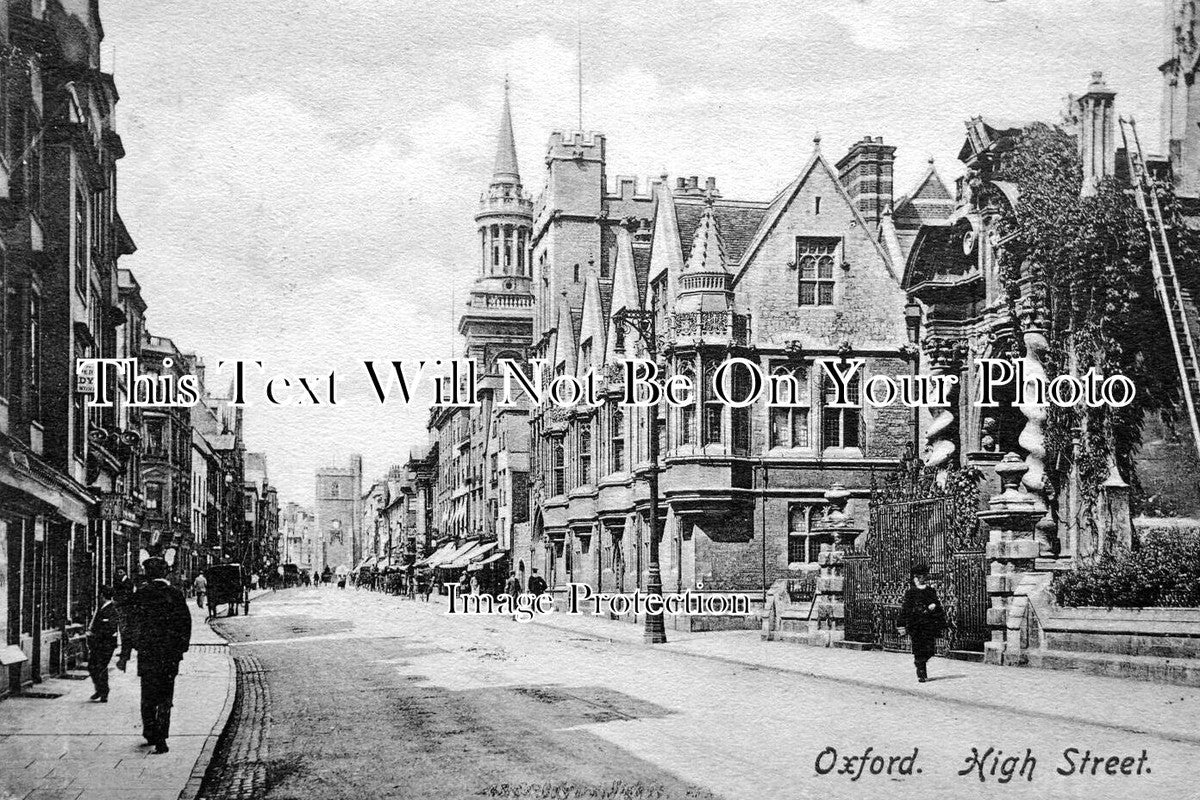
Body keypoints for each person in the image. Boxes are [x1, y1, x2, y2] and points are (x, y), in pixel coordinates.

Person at [117, 557, 192, 754]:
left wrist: (125, 653)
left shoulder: (141, 595)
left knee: (148, 694)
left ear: (147, 574)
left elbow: (129, 627)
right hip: (169, 656)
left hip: (148, 654)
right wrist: (180, 649)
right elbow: (185, 623)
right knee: (166, 696)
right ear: (166, 573)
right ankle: (162, 737)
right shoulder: (175, 595)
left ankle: (150, 731)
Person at [896, 563, 946, 683]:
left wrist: (934, 607)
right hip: (916, 625)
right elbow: (905, 609)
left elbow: (938, 606)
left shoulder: (930, 591)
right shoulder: (911, 593)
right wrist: (901, 624)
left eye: (924, 576)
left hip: (928, 625)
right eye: (920, 576)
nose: (923, 578)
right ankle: (921, 671)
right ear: (916, 578)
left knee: (930, 649)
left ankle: (921, 663)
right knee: (918, 648)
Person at [86, 586, 119, 702]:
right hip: (98, 644)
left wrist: (94, 634)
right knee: (92, 666)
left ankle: (104, 692)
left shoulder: (111, 610)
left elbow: (110, 628)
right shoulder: (101, 608)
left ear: (102, 596)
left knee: (100, 667)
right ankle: (100, 689)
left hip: (105, 644)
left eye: (99, 595)